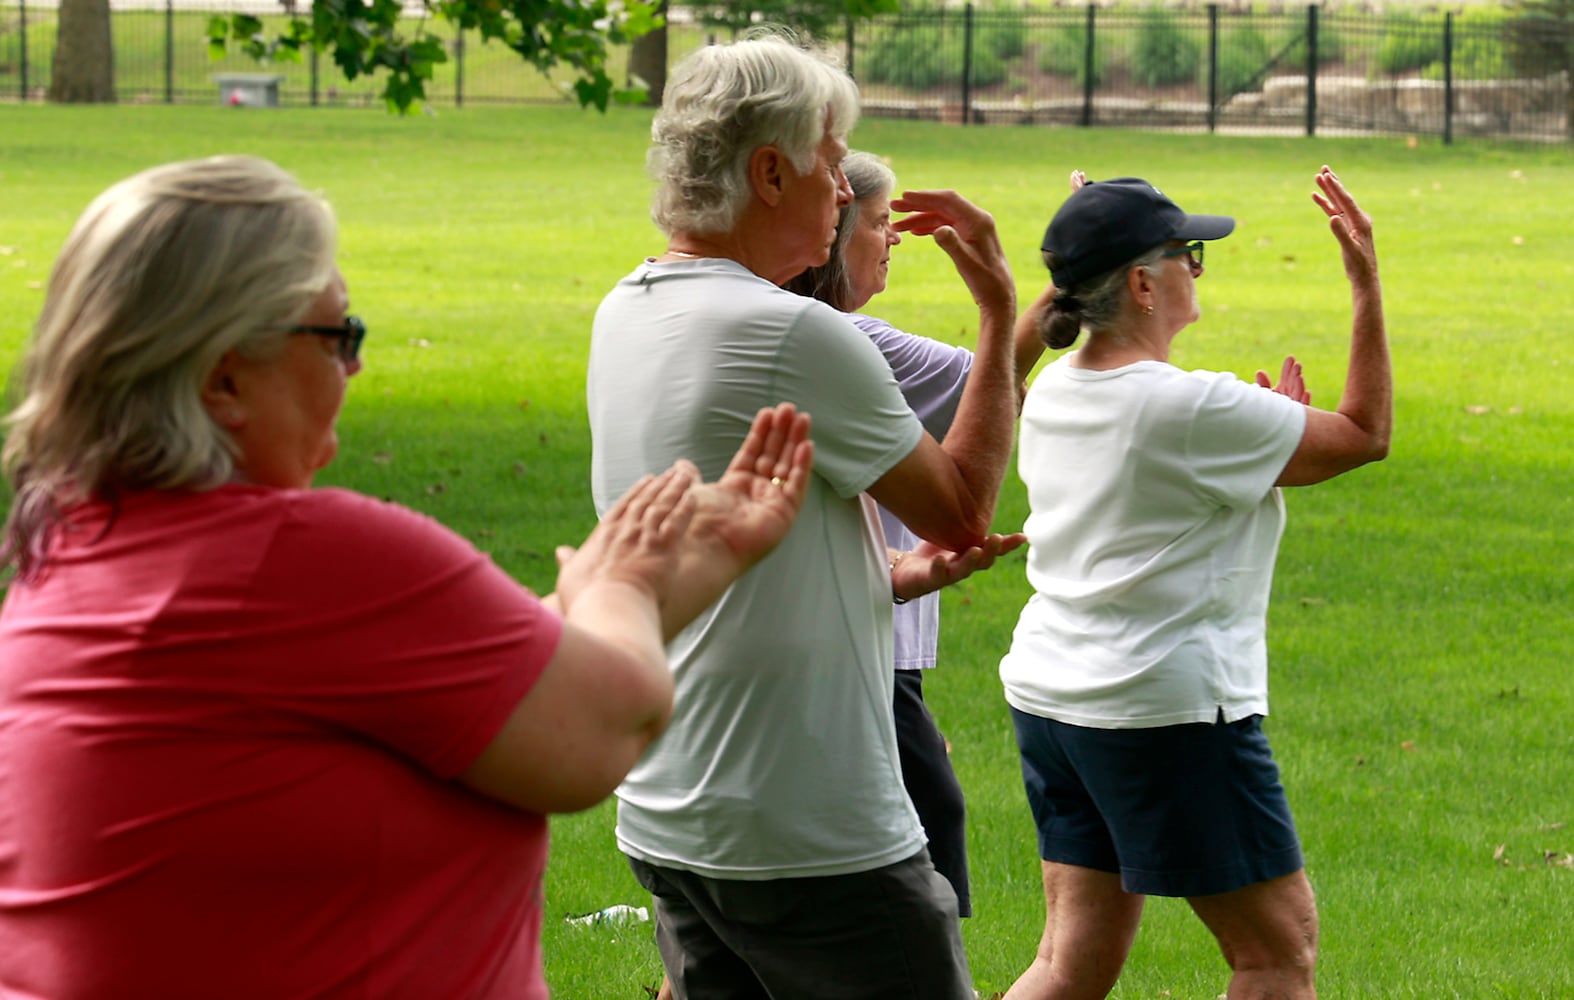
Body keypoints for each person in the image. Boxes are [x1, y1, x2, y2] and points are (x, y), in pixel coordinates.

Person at [0, 154, 814, 999]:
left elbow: (479, 683)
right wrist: (624, 587)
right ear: (223, 378)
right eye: (336, 335)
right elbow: (595, 734)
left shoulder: (72, 557)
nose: (352, 366)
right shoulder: (300, 556)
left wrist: (689, 562)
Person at [587, 34, 1023, 1000]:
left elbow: (726, 531)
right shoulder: (793, 331)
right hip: (807, 834)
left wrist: (883, 576)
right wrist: (998, 316)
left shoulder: (626, 310)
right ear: (769, 172)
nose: (841, 187)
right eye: (830, 161)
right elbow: (959, 509)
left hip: (670, 809)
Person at [998, 166, 1389, 1000]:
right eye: (1189, 253)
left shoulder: (1057, 389)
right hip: (1165, 711)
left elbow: (1169, 459)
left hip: (1053, 701)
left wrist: (1268, 435)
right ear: (1143, 283)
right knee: (1275, 955)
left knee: (1068, 964)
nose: (1197, 267)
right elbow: (1363, 434)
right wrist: (1365, 283)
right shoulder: (1195, 410)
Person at [783, 150, 1053, 921]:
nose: (891, 237)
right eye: (877, 221)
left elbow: (990, 381)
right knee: (924, 843)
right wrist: (1046, 285)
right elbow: (989, 389)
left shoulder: (823, 333)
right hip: (865, 641)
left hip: (858, 637)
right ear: (832, 234)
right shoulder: (852, 345)